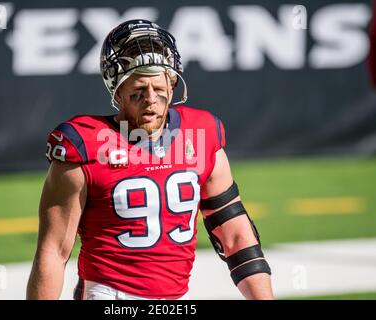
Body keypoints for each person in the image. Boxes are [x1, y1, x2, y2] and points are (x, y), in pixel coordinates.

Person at [26, 19, 274, 300]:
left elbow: (235, 234)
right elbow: (53, 252)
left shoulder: (201, 133)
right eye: (138, 91)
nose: (151, 100)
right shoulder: (84, 143)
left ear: (172, 83)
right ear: (117, 91)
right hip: (109, 296)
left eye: (159, 89)